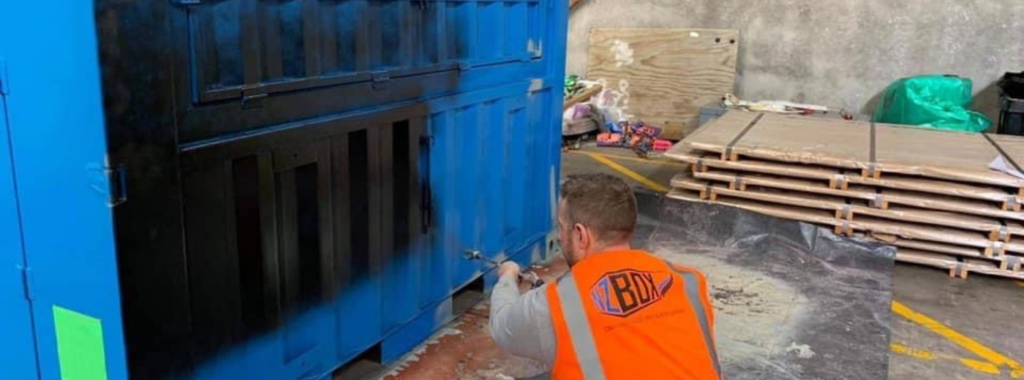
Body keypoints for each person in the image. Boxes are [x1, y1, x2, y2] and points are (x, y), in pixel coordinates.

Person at [489, 173, 721, 380]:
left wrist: (508, 277)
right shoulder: (688, 281)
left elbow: (502, 326)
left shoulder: (555, 302)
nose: (559, 236)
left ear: (581, 235)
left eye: (561, 227)